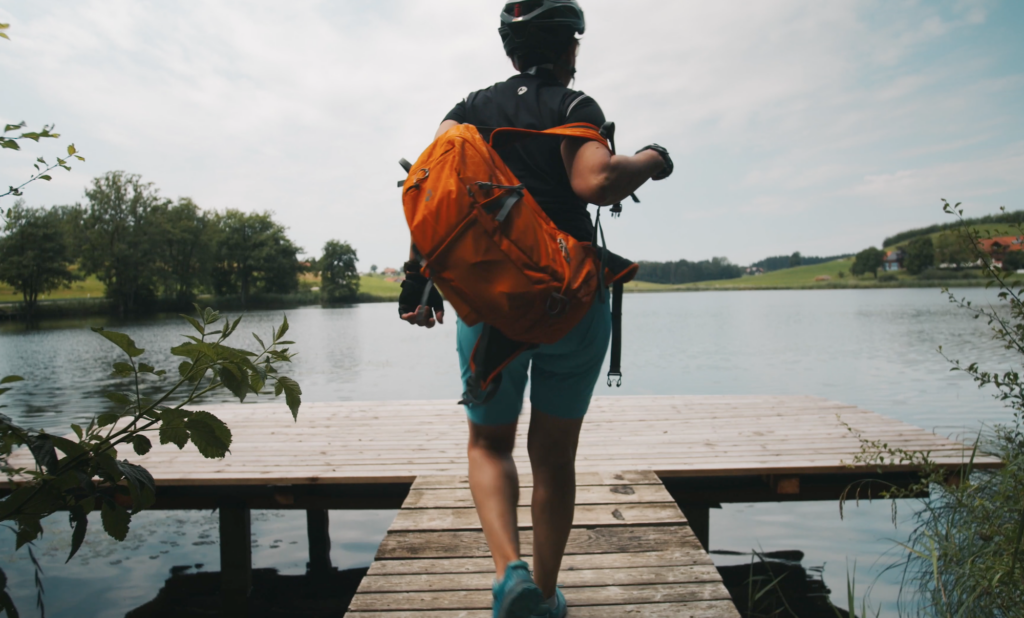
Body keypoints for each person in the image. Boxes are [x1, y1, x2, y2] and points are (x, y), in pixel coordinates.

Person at [398, 2, 671, 616]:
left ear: (508, 50)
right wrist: (654, 159)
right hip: (572, 303)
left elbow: (430, 192)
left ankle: (509, 575)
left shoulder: (466, 111)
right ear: (570, 49)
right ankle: (545, 597)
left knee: (489, 445)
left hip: (491, 309)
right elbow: (596, 183)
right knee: (554, 456)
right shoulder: (576, 108)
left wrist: (418, 276)